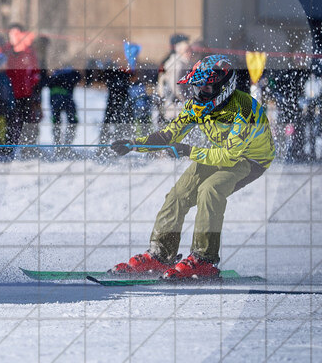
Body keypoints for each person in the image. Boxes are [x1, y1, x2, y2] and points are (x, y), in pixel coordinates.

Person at [109, 55, 276, 279]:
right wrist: (134, 144)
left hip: (250, 160)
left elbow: (229, 157)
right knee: (179, 194)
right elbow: (168, 135)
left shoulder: (244, 110)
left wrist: (188, 151)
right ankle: (161, 254)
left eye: (205, 87)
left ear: (223, 88)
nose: (198, 93)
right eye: (196, 86)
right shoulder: (197, 106)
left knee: (210, 190)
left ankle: (204, 259)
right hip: (222, 152)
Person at [3, 23, 41, 150]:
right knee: (10, 120)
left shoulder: (29, 52)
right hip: (9, 94)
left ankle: (28, 147)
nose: (13, 37)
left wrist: (35, 87)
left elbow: (35, 72)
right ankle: (8, 146)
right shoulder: (5, 51)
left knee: (28, 120)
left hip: (26, 94)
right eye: (11, 34)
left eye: (16, 34)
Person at [157, 33, 193, 124]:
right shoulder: (177, 64)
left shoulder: (181, 63)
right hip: (173, 110)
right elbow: (176, 87)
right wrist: (187, 102)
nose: (190, 53)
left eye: (190, 50)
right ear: (179, 50)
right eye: (187, 51)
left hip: (175, 108)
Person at [46, 65, 81, 148]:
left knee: (56, 121)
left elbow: (46, 83)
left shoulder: (53, 75)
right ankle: (67, 144)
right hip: (67, 99)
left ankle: (58, 143)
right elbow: (78, 77)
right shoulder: (71, 73)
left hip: (55, 99)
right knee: (73, 121)